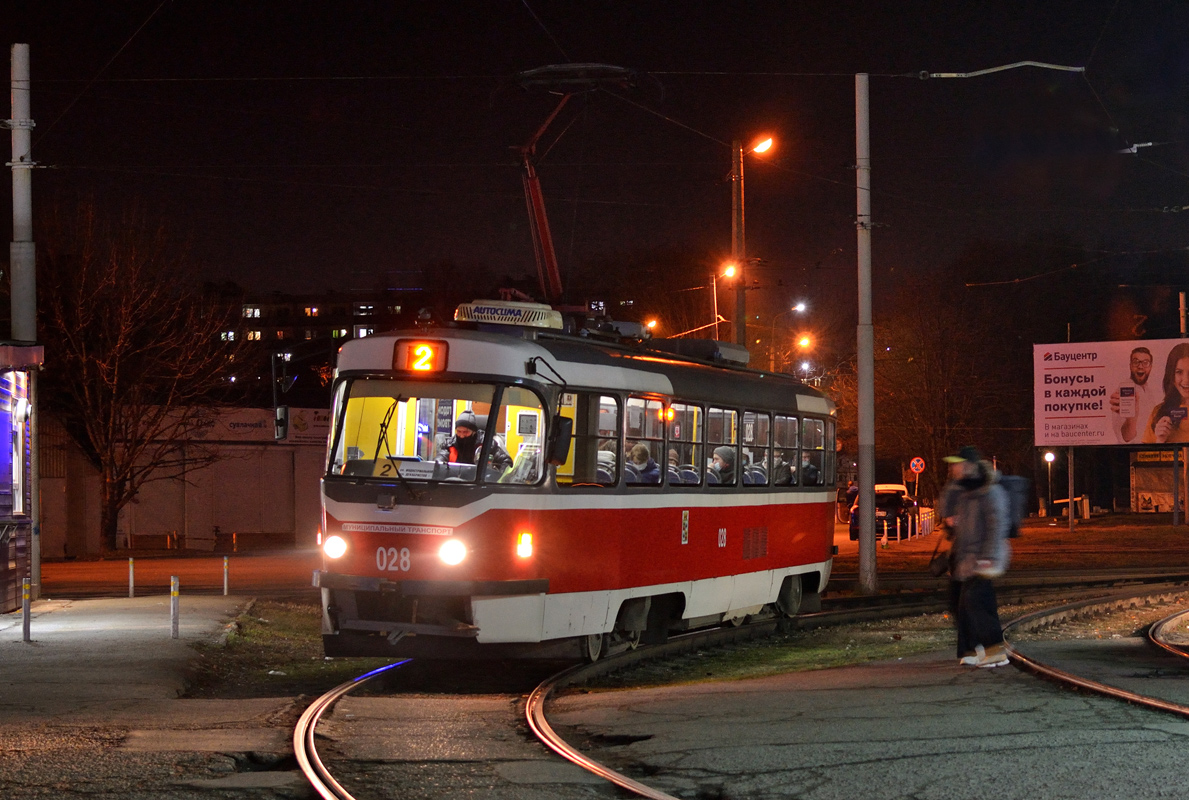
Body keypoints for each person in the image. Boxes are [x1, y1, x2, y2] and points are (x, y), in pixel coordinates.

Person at [941, 445, 1011, 668]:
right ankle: (972, 650)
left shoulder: (989, 490)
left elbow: (996, 525)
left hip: (984, 557)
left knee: (975, 602)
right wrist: (951, 523)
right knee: (961, 603)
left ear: (969, 465)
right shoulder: (964, 490)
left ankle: (995, 651)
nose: (953, 468)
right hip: (965, 557)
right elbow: (950, 514)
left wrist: (988, 556)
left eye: (957, 464)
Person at [1142, 343, 1189, 444]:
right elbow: (1145, 452)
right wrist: (1160, 441)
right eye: (1179, 372)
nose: (1186, 380)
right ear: (1171, 375)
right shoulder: (1158, 412)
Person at [438, 410, 512, 472]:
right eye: (459, 431)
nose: (461, 435)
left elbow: (506, 461)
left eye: (466, 432)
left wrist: (499, 477)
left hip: (479, 482)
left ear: (474, 432)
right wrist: (438, 465)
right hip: (454, 481)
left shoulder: (487, 444)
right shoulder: (450, 444)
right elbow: (439, 460)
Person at [1109, 346, 1156, 443]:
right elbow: (1126, 438)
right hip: (1133, 450)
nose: (1140, 366)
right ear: (1130, 366)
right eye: (1136, 362)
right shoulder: (1123, 391)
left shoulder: (1149, 390)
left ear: (1150, 367)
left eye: (1145, 362)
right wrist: (1131, 419)